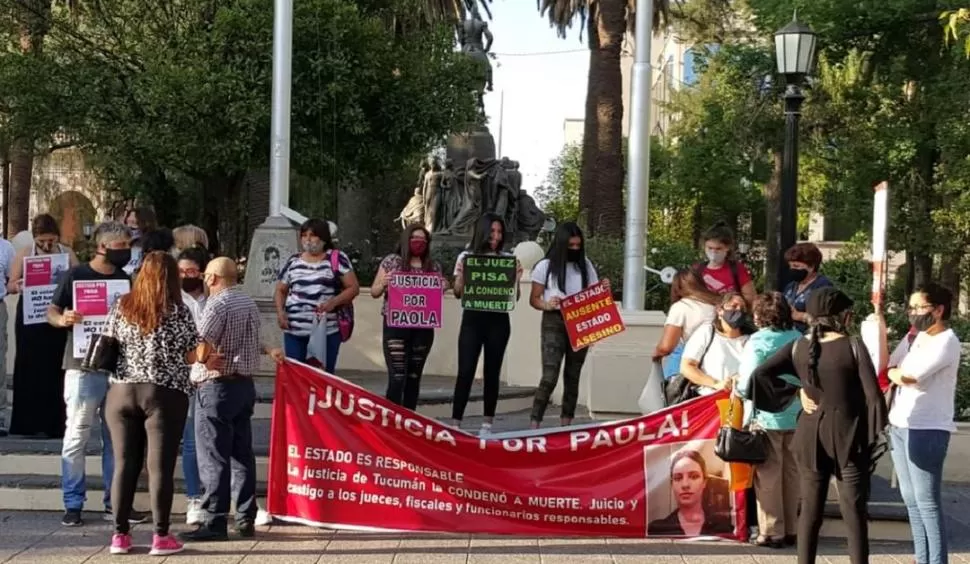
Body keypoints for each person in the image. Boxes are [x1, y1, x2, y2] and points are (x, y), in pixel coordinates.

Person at [750, 287, 887, 564]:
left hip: (810, 434)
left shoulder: (799, 345)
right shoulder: (853, 345)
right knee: (854, 512)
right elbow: (873, 396)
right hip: (849, 435)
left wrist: (796, 392)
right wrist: (875, 435)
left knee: (810, 510)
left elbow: (759, 375)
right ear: (841, 315)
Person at [103, 252, 205, 556]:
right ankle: (161, 536)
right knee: (159, 467)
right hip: (164, 393)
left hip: (121, 392)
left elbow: (109, 342)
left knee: (124, 463)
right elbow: (191, 353)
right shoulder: (178, 310)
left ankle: (120, 536)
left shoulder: (122, 305)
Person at [47, 221, 146, 527]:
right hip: (82, 366)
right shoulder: (75, 275)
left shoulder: (124, 280)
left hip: (117, 368)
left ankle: (114, 502)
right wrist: (64, 318)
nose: (126, 252)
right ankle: (73, 503)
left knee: (116, 439)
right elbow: (51, 311)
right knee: (77, 434)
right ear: (103, 247)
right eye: (121, 248)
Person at [181, 257, 284, 542]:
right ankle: (245, 518)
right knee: (242, 455)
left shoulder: (217, 304)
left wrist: (200, 358)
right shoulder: (247, 302)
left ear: (212, 278)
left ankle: (214, 521)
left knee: (213, 457)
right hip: (243, 386)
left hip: (216, 387)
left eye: (205, 274)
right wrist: (269, 350)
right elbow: (254, 338)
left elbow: (202, 341)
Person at [886, 283, 960, 564]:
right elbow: (892, 365)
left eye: (920, 308)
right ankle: (922, 558)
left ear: (938, 310)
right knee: (911, 502)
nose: (914, 314)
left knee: (927, 502)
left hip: (927, 428)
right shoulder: (916, 337)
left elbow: (910, 376)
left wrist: (895, 372)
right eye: (912, 308)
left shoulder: (947, 341)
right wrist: (895, 370)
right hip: (900, 424)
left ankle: (937, 560)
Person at [736, 292, 802, 548]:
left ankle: (772, 531)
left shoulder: (757, 341)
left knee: (768, 475)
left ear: (759, 316)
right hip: (795, 413)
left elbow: (746, 382)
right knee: (792, 473)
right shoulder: (797, 338)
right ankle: (793, 529)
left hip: (766, 415)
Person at [6, 214, 77, 438]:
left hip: (56, 317)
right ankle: (28, 422)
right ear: (34, 238)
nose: (47, 246)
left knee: (56, 366)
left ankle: (55, 423)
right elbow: (10, 284)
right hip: (31, 318)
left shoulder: (67, 253)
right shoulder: (25, 253)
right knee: (29, 365)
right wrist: (20, 285)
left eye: (51, 241)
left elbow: (79, 277)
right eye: (42, 242)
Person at [451, 213, 522, 436]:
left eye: (499, 232)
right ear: (482, 231)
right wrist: (461, 276)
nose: (496, 236)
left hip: (498, 321)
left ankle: (487, 424)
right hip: (472, 319)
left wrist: (516, 279)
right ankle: (455, 423)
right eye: (492, 231)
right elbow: (457, 292)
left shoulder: (506, 258)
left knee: (493, 371)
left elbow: (514, 297)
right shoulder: (466, 256)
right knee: (465, 370)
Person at [528, 222, 600, 428]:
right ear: (561, 244)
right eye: (571, 246)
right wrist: (547, 304)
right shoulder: (545, 266)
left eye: (578, 246)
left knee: (573, 376)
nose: (575, 250)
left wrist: (594, 328)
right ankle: (535, 423)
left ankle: (566, 425)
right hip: (555, 320)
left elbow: (596, 297)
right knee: (549, 375)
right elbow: (534, 299)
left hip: (580, 320)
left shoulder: (586, 265)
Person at [370, 224, 447, 409]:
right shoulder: (391, 262)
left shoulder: (433, 266)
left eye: (423, 240)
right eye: (414, 239)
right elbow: (374, 291)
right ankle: (391, 422)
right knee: (397, 376)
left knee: (414, 377)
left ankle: (409, 422)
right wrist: (383, 283)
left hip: (423, 329)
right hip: (395, 327)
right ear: (405, 240)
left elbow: (436, 296)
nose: (418, 243)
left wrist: (443, 286)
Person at [275, 218, 360, 373]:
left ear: (323, 238)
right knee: (296, 377)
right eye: (304, 235)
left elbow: (353, 287)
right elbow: (281, 289)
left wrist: (333, 303)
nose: (308, 239)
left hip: (326, 331)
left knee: (322, 377)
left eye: (313, 235)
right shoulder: (293, 261)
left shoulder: (336, 258)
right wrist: (281, 313)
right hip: (295, 331)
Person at [177, 247, 208, 526]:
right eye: (180, 272)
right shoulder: (173, 299)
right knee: (190, 441)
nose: (185, 277)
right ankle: (194, 497)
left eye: (191, 272)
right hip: (184, 376)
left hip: (213, 374)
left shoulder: (215, 297)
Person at [647, 449, 733, 536]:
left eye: (694, 477)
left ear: (704, 482)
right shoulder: (657, 529)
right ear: (672, 484)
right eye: (678, 478)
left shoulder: (723, 527)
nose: (685, 485)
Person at [653, 270, 719, 380]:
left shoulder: (681, 307)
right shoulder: (717, 305)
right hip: (716, 361)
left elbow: (667, 346)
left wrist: (657, 353)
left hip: (687, 362)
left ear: (677, 287)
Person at [679, 292, 750, 396]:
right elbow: (686, 367)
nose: (738, 310)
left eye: (742, 308)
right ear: (720, 311)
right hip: (709, 400)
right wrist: (716, 384)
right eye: (734, 306)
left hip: (742, 401)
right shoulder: (707, 332)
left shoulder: (751, 339)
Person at [694, 221, 756, 306]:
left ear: (728, 247)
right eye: (710, 248)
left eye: (718, 248)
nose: (713, 252)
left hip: (729, 317)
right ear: (704, 246)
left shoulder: (737, 269)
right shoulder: (697, 270)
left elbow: (751, 298)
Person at [782, 243, 833, 332]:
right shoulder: (791, 286)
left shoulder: (823, 287)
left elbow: (827, 321)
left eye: (796, 266)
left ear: (811, 266)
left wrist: (800, 316)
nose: (792, 269)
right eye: (790, 266)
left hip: (809, 339)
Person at [123, 207, 158, 276]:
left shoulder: (153, 241)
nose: (130, 220)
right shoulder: (120, 239)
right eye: (129, 217)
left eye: (134, 222)